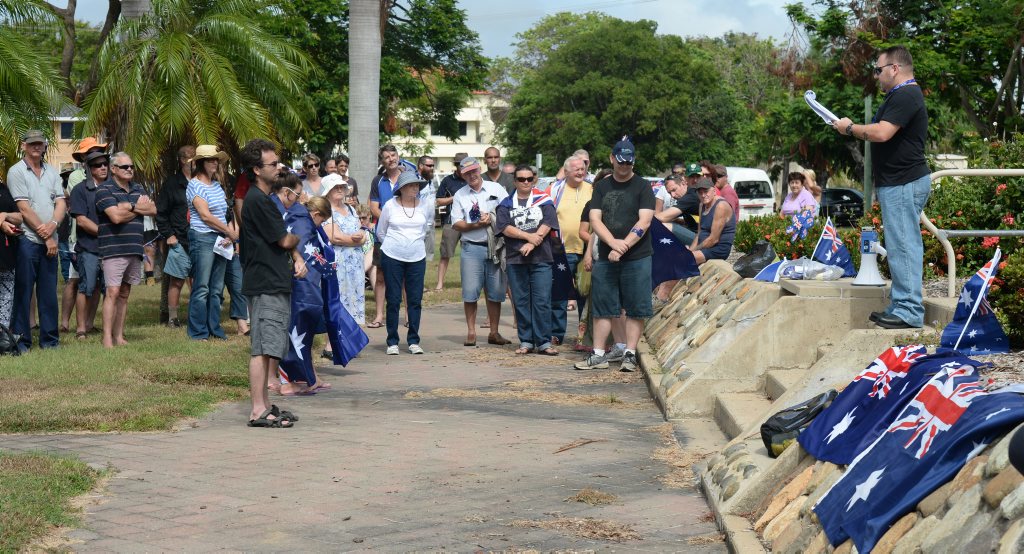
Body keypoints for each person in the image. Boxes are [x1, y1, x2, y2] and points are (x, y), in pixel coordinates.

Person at [833, 45, 931, 330]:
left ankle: (910, 311)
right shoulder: (899, 96)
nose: (876, 76)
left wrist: (850, 128)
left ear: (895, 69)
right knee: (900, 245)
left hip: (904, 182)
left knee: (904, 246)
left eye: (878, 70)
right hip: (897, 183)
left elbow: (882, 132)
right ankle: (900, 305)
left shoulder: (907, 93)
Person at [574, 138, 654, 372]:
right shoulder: (602, 187)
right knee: (603, 306)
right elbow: (594, 219)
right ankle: (599, 354)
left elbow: (645, 220)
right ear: (612, 159)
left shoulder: (643, 186)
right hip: (607, 256)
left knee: (635, 306)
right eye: (620, 162)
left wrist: (625, 246)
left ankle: (629, 353)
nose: (624, 167)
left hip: (637, 256)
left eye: (628, 163)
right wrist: (612, 243)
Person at [239, 138, 304, 427]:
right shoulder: (258, 201)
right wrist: (300, 233)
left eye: (278, 162)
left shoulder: (262, 200)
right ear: (256, 169)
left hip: (271, 280)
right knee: (261, 348)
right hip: (265, 282)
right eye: (273, 163)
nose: (279, 167)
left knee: (269, 347)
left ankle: (265, 405)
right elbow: (285, 239)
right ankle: (257, 410)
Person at [9, 130, 65, 352]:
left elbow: (61, 203)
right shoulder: (16, 171)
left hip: (49, 239)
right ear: (23, 146)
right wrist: (48, 235)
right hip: (27, 240)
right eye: (32, 143)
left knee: (49, 293)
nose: (36, 147)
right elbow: (23, 208)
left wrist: (53, 225)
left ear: (44, 146)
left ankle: (50, 341)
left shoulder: (52, 172)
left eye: (39, 143)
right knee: (23, 291)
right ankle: (22, 342)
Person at [95, 152, 156, 348]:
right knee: (112, 291)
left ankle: (119, 336)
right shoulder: (104, 189)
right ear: (113, 169)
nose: (130, 169)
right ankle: (107, 338)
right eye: (125, 167)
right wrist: (138, 207)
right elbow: (115, 217)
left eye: (131, 166)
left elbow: (153, 209)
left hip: (134, 247)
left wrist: (129, 206)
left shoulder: (138, 188)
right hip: (113, 248)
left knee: (125, 293)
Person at [497, 165, 559, 355]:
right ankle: (526, 340)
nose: (525, 182)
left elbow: (548, 223)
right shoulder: (506, 203)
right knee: (521, 301)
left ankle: (544, 342)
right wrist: (527, 236)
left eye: (529, 179)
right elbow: (504, 227)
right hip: (516, 259)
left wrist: (532, 243)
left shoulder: (545, 200)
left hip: (541, 258)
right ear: (515, 181)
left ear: (534, 180)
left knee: (542, 301)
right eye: (521, 179)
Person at [450, 156, 510, 346]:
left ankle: (494, 332)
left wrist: (492, 218)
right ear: (462, 175)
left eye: (474, 171)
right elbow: (457, 223)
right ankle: (471, 332)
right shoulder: (460, 194)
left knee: (496, 292)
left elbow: (507, 211)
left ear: (479, 169)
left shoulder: (496, 189)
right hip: (471, 248)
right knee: (470, 292)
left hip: (495, 247)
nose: (472, 175)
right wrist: (475, 224)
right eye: (467, 173)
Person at [377, 170, 433, 354]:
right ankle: (392, 341)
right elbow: (381, 232)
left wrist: (412, 245)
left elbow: (426, 229)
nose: (415, 188)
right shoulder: (389, 205)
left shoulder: (425, 205)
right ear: (401, 188)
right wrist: (395, 246)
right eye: (411, 185)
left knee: (415, 299)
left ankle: (413, 340)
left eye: (417, 185)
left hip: (417, 257)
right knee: (393, 299)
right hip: (392, 256)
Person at [185, 145, 235, 341]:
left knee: (216, 288)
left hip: (220, 239)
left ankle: (214, 327)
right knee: (202, 287)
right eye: (210, 160)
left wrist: (229, 233)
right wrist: (228, 231)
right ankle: (198, 331)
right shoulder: (194, 185)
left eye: (216, 159)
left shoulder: (216, 185)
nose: (215, 163)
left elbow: (225, 213)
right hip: (203, 237)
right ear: (200, 163)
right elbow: (205, 216)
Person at [548, 155, 592, 344]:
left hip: (586, 250)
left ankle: (584, 336)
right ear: (566, 172)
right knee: (559, 294)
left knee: (585, 294)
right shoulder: (555, 190)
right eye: (576, 169)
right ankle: (557, 334)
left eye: (583, 169)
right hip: (561, 250)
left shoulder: (592, 189)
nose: (581, 172)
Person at [67, 150, 109, 339]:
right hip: (89, 247)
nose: (102, 167)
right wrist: (105, 233)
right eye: (97, 165)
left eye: (105, 164)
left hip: (110, 249)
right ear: (89, 169)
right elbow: (82, 221)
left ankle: (91, 324)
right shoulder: (80, 190)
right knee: (86, 286)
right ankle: (80, 329)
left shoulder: (113, 188)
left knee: (104, 288)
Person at [156, 145, 194, 328]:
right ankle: (172, 318)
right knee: (176, 280)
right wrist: (169, 235)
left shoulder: (202, 182)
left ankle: (196, 315)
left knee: (198, 280)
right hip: (179, 238)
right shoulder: (172, 184)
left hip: (199, 239)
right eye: (190, 158)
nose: (194, 161)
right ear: (182, 161)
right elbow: (160, 213)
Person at [322, 174, 366, 326]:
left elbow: (363, 232)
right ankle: (335, 342)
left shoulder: (350, 209)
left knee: (355, 296)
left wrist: (361, 237)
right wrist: (357, 241)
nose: (340, 189)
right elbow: (335, 237)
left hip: (355, 263)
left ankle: (352, 341)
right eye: (336, 187)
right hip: (338, 262)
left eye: (342, 186)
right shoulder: (326, 210)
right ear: (328, 190)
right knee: (339, 298)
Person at [367, 144, 404, 328]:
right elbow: (374, 207)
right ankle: (380, 315)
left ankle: (407, 316)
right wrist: (389, 221)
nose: (391, 159)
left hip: (404, 235)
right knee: (380, 275)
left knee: (404, 276)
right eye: (387, 157)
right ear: (382, 161)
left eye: (393, 155)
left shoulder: (408, 177)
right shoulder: (378, 181)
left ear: (398, 156)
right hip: (383, 236)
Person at [433, 152, 468, 291]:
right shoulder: (448, 180)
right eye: (460, 165)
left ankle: (469, 282)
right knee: (445, 253)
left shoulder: (473, 178)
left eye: (464, 164)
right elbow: (439, 200)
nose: (462, 167)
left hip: (470, 223)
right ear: (456, 165)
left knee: (470, 253)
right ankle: (440, 283)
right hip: (451, 221)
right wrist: (455, 198)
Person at [689, 177, 735, 265]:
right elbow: (699, 233)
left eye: (706, 191)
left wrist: (692, 251)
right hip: (704, 247)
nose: (703, 195)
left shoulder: (721, 206)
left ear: (714, 191)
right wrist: (690, 250)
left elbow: (714, 239)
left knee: (683, 259)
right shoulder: (702, 205)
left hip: (717, 249)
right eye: (700, 192)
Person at [0, 174, 23, 329]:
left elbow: (19, 217)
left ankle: (3, 337)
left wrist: (5, 215)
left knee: (6, 296)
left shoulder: (3, 188)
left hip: (6, 254)